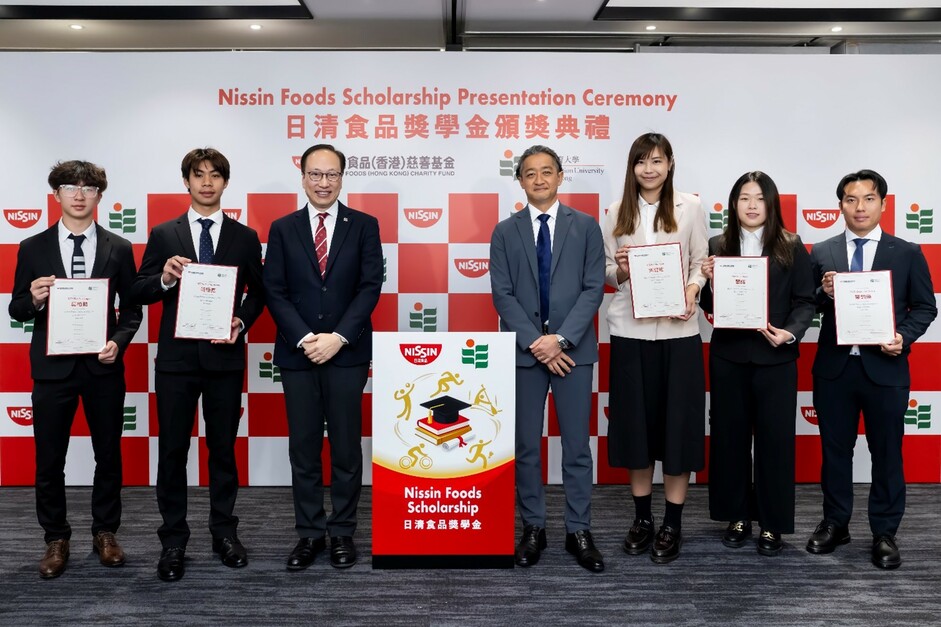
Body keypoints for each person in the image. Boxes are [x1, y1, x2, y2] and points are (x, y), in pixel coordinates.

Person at [131, 148, 265, 581]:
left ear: (226, 182)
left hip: (224, 358)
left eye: (215, 175)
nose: (207, 182)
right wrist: (165, 278)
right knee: (172, 451)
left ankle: (224, 532)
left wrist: (241, 320)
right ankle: (173, 541)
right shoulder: (163, 234)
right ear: (186, 181)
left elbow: (260, 293)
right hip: (176, 361)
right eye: (198, 174)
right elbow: (138, 289)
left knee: (223, 450)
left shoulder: (245, 237)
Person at [9, 160, 142, 578]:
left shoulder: (119, 247)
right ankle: (55, 537)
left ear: (99, 195)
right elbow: (16, 308)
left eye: (88, 187)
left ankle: (106, 532)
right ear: (56, 194)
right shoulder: (32, 247)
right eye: (70, 186)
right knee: (50, 458)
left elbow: (132, 310)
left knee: (109, 454)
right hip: (53, 370)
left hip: (102, 367)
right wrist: (33, 298)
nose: (79, 194)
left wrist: (119, 341)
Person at [806, 169, 936, 569]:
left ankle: (884, 531)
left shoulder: (907, 252)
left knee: (887, 452)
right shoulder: (822, 251)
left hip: (886, 368)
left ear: (882, 203)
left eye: (868, 198)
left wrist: (903, 336)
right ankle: (836, 523)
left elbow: (925, 307)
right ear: (840, 206)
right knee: (835, 451)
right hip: (835, 369)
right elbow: (806, 303)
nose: (859, 207)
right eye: (851, 199)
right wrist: (823, 292)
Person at [263, 143, 382, 570]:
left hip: (347, 354)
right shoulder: (283, 228)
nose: (323, 182)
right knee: (304, 448)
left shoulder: (364, 225)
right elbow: (273, 289)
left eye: (331, 174)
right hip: (298, 354)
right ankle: (310, 533)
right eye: (315, 174)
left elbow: (370, 286)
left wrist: (339, 337)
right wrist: (305, 337)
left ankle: (343, 532)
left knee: (347, 448)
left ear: (342, 178)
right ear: (303, 178)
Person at [489, 144, 606, 572]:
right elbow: (502, 294)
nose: (539, 179)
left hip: (573, 353)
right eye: (530, 173)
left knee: (576, 446)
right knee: (525, 445)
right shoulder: (505, 231)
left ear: (559, 176)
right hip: (525, 354)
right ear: (520, 180)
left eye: (546, 171)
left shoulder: (586, 226)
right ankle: (533, 527)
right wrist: (537, 342)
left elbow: (593, 288)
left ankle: (579, 529)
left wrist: (560, 340)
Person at [603, 132, 707, 564]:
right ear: (632, 167)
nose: (649, 169)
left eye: (657, 161)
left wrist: (692, 290)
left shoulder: (691, 207)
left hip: (679, 334)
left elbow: (700, 261)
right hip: (630, 332)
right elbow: (606, 271)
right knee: (637, 430)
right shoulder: (615, 212)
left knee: (678, 430)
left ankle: (673, 523)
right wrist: (621, 270)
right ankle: (643, 518)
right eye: (641, 161)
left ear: (670, 164)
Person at [699, 171, 815, 555]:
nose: (752, 205)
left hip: (775, 358)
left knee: (774, 442)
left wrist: (790, 333)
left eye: (760, 198)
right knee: (729, 439)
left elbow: (805, 301)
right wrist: (709, 282)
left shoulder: (791, 245)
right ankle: (737, 516)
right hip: (728, 356)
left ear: (771, 204)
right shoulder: (718, 245)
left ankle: (771, 524)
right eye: (744, 198)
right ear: (734, 204)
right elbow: (709, 307)